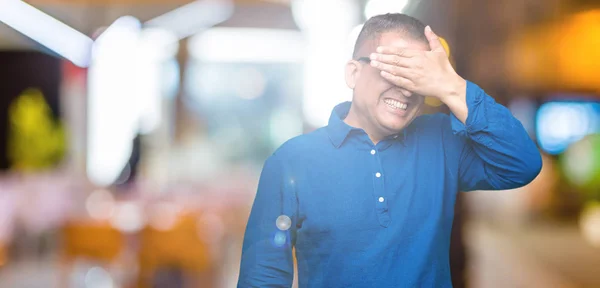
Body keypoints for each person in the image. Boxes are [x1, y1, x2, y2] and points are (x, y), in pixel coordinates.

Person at [238, 13, 542, 287]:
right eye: (394, 68)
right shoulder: (291, 162)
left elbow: (522, 164)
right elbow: (263, 276)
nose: (406, 88)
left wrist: (451, 85)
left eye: (417, 75)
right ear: (353, 73)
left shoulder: (442, 142)